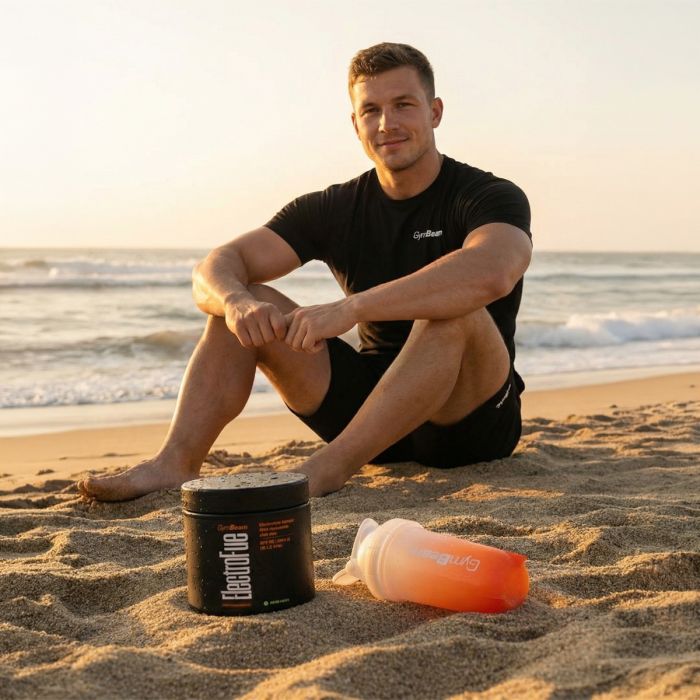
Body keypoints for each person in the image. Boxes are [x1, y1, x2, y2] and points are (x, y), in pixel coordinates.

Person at [78, 42, 532, 501]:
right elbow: (215, 266)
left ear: (434, 112)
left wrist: (351, 308)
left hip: (466, 423)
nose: (386, 124)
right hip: (373, 425)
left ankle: (326, 469)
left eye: (403, 105)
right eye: (371, 110)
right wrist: (236, 302)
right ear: (355, 125)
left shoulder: (487, 195)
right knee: (245, 300)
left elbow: (492, 271)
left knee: (456, 312)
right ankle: (174, 463)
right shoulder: (336, 207)